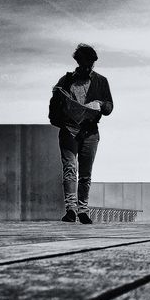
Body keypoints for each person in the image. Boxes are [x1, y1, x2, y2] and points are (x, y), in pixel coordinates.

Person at [48, 43, 113, 224]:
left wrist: (100, 104)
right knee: (70, 169)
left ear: (93, 63)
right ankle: (71, 209)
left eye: (89, 65)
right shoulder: (66, 81)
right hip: (69, 130)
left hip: (90, 131)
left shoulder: (101, 81)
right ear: (77, 62)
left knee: (85, 174)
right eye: (83, 64)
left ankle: (83, 210)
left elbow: (109, 107)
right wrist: (60, 103)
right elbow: (53, 111)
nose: (86, 68)